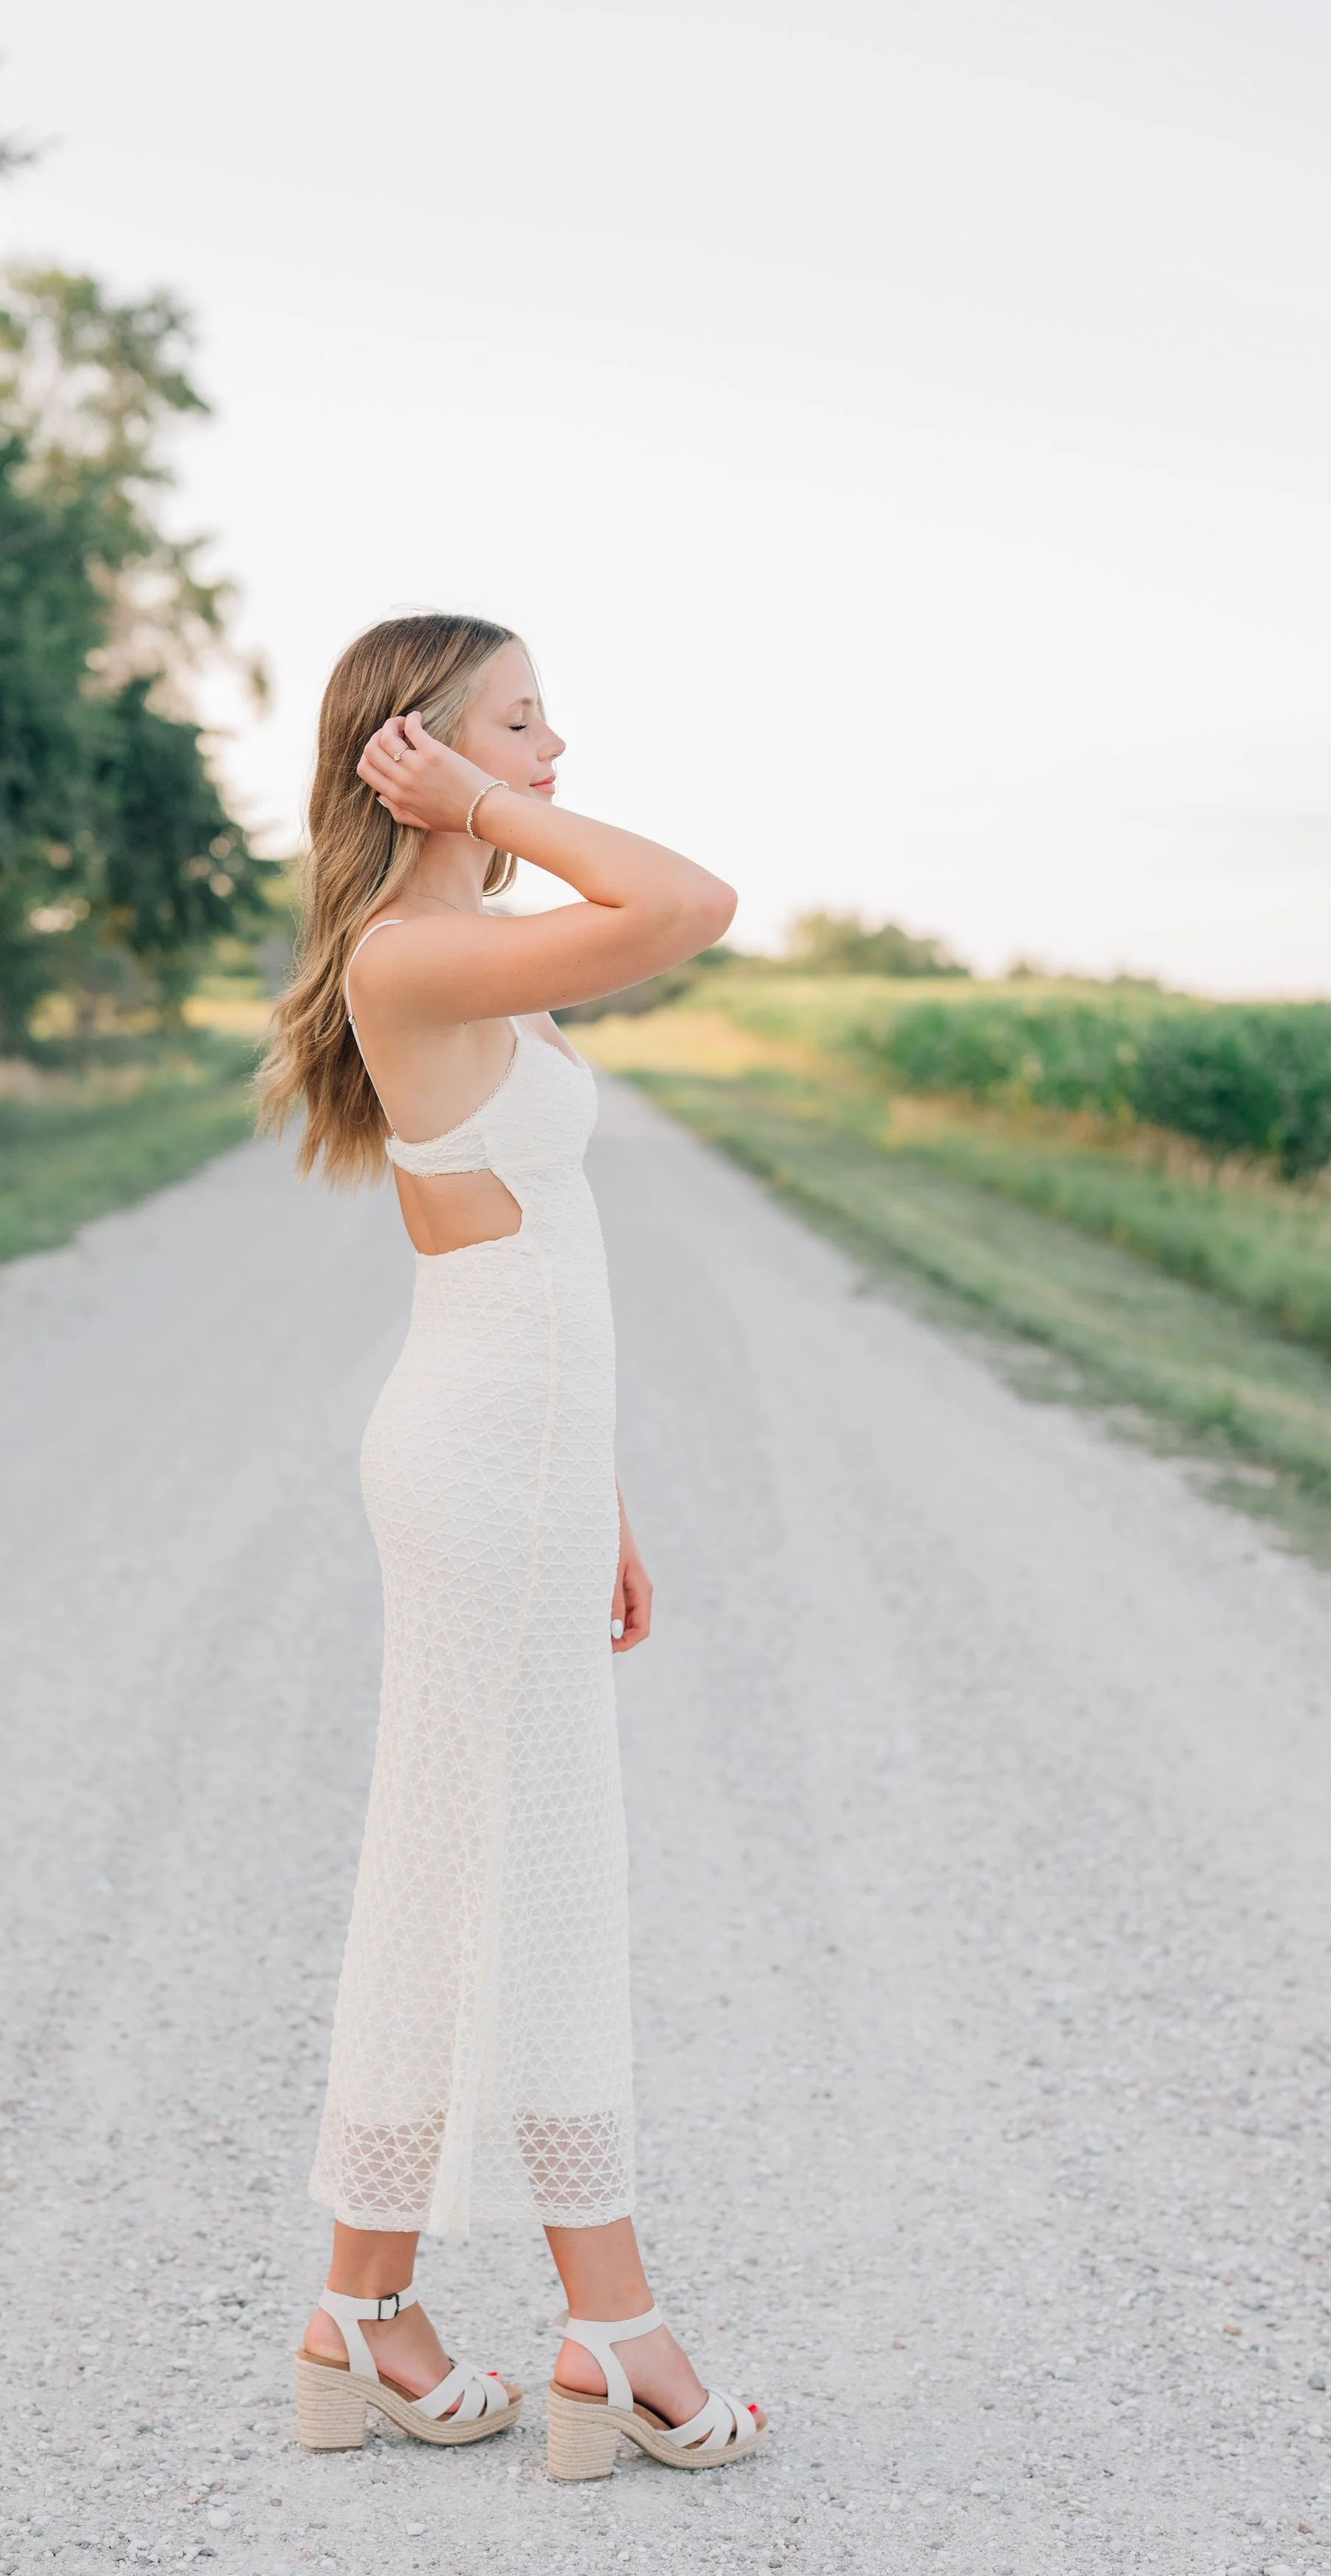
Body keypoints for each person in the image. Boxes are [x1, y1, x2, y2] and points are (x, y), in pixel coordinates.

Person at [257, 611, 766, 2479]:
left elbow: (510, 1253)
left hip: (516, 1454)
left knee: (460, 1864)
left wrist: (602, 1487)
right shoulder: (422, 949)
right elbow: (688, 901)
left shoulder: (451, 953)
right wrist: (476, 806)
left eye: (545, 722)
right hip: (487, 1460)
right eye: (517, 720)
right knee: (538, 1875)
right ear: (411, 750)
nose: (556, 746)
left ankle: (360, 2310)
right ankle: (615, 2337)